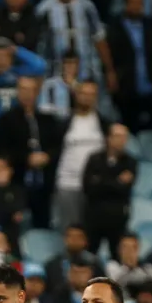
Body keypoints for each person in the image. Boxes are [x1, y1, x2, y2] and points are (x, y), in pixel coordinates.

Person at [0, 76, 61, 231]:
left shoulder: (48, 120)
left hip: (44, 184)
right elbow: (1, 150)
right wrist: (26, 158)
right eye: (23, 89)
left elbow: (57, 146)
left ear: (37, 93)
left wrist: (47, 157)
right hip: (17, 182)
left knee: (43, 225)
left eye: (30, 90)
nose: (27, 94)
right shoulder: (6, 119)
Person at [35, 0, 115, 84]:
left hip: (86, 72)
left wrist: (109, 69)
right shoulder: (44, 9)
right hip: (54, 73)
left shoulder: (87, 7)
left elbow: (99, 38)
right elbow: (38, 43)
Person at [107, 0, 152, 134]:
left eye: (139, 3)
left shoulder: (150, 27)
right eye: (133, 3)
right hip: (126, 88)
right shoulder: (114, 28)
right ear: (126, 4)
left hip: (150, 86)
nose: (136, 6)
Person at [53, 81, 107, 229]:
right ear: (76, 95)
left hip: (95, 186)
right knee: (70, 229)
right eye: (84, 93)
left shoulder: (104, 123)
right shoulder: (64, 123)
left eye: (92, 94)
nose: (87, 98)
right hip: (68, 183)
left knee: (93, 230)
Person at [81, 123, 136, 256]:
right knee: (89, 255)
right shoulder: (94, 159)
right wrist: (116, 181)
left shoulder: (130, 162)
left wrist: (101, 181)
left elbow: (125, 189)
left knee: (117, 256)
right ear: (108, 138)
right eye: (118, 136)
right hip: (94, 216)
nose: (122, 140)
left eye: (125, 137)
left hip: (117, 218)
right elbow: (88, 187)